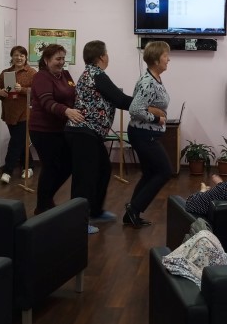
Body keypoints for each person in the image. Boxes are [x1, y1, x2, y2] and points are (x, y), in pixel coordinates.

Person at [65, 40, 133, 234]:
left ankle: (95, 211)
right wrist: (144, 105)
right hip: (83, 133)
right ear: (102, 56)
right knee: (84, 179)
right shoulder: (97, 74)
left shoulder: (90, 73)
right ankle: (78, 222)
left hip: (89, 133)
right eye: (107, 53)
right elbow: (120, 100)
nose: (108, 56)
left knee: (103, 170)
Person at [29, 44, 84, 215]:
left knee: (68, 164)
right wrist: (66, 111)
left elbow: (74, 95)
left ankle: (46, 199)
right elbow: (47, 102)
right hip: (42, 130)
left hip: (61, 129)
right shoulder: (41, 77)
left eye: (63, 58)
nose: (61, 62)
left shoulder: (65, 75)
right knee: (50, 167)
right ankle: (42, 206)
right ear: (46, 60)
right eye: (57, 59)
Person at [124, 41, 172, 228]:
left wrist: (155, 112)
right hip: (143, 133)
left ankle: (131, 214)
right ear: (156, 59)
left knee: (150, 173)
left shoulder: (155, 78)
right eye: (166, 56)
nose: (168, 59)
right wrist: (156, 118)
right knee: (164, 171)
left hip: (146, 133)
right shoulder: (148, 82)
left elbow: (144, 105)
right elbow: (135, 109)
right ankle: (134, 208)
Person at [0, 45, 36, 184]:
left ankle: (7, 170)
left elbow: (37, 91)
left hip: (24, 113)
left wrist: (22, 89)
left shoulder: (31, 72)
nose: (19, 58)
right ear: (12, 57)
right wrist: (0, 92)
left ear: (26, 57)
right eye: (16, 55)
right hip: (9, 112)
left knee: (16, 141)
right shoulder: (6, 72)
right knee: (21, 141)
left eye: (22, 55)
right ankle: (29, 166)